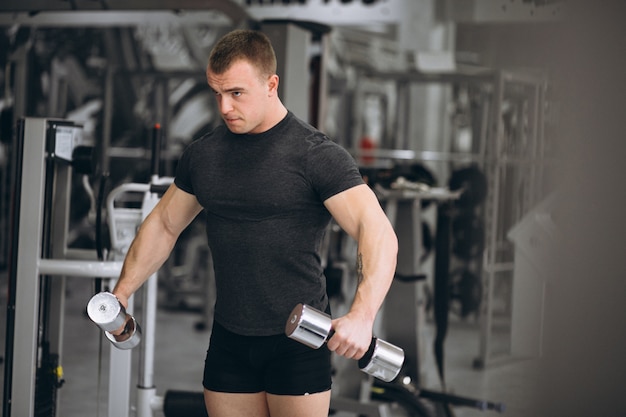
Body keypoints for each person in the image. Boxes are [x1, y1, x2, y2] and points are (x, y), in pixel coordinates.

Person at [111, 29, 398, 417]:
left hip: (299, 340)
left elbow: (375, 229)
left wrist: (363, 316)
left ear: (271, 84)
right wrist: (123, 292)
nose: (225, 107)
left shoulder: (315, 155)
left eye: (236, 93)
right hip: (229, 337)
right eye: (217, 94)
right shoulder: (204, 155)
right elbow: (164, 223)